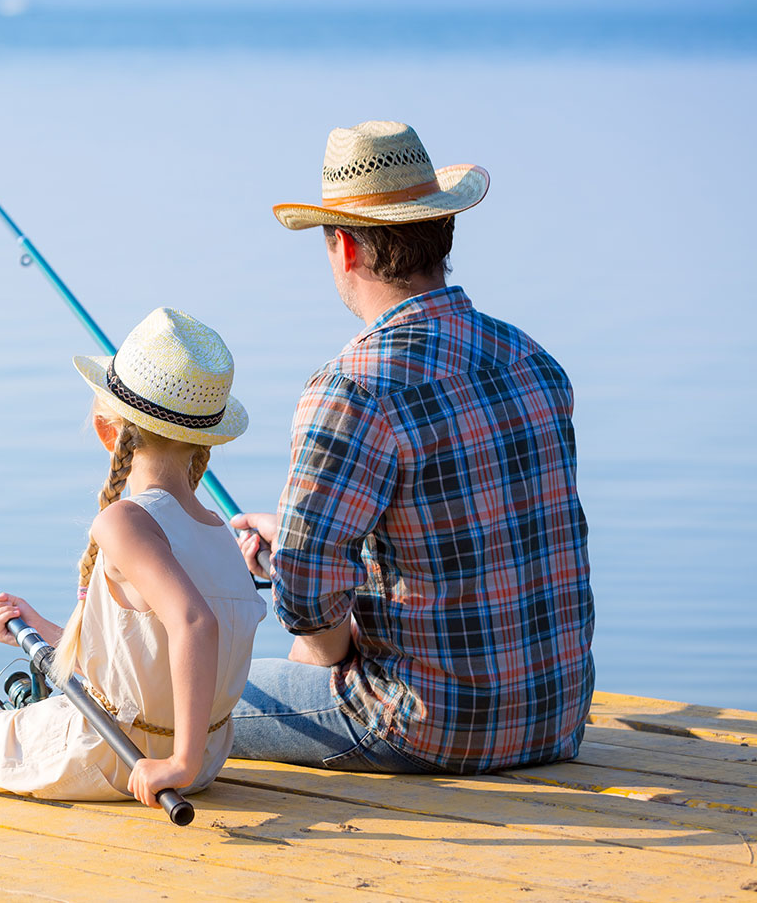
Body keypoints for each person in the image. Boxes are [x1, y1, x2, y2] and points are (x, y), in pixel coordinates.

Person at [229, 120, 594, 775]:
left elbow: (308, 601)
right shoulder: (533, 359)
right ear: (442, 231)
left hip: (423, 730)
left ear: (343, 248)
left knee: (176, 692)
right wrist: (294, 535)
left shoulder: (352, 389)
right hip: (555, 717)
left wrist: (325, 629)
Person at [0, 308, 265, 810]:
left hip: (114, 755)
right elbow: (145, 648)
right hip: (200, 758)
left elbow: (194, 624)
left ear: (106, 431)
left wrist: (177, 763)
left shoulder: (124, 522)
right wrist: (46, 629)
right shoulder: (218, 533)